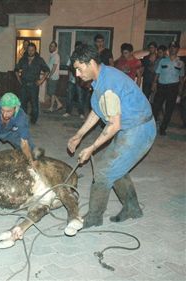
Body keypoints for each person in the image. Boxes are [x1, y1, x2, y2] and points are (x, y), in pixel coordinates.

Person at [67, 44, 156, 228]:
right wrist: (79, 135)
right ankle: (132, 208)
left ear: (91, 63)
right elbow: (98, 111)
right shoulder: (101, 77)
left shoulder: (108, 84)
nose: (77, 74)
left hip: (139, 129)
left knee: (103, 173)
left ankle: (93, 217)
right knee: (116, 168)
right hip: (131, 126)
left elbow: (113, 125)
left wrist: (91, 148)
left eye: (79, 68)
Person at [152, 41, 185, 135]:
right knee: (156, 107)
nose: (172, 49)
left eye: (174, 47)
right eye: (171, 47)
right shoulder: (163, 61)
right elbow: (157, 73)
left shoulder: (180, 63)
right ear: (169, 49)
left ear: (177, 49)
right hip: (162, 86)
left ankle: (163, 128)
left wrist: (180, 92)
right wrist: (154, 83)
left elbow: (181, 78)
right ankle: (153, 127)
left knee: (169, 109)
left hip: (173, 87)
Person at [15, 43, 50, 124]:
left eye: (32, 50)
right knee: (23, 104)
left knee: (34, 105)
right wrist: (19, 79)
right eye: (29, 50)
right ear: (27, 50)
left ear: (35, 50)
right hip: (24, 85)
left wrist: (41, 80)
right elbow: (16, 70)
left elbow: (47, 70)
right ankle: (23, 120)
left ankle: (33, 120)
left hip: (34, 86)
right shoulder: (23, 59)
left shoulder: (39, 60)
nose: (30, 52)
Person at [63, 41, 88, 119]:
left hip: (80, 80)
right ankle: (68, 111)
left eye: (79, 47)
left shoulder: (83, 57)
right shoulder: (72, 56)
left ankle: (81, 113)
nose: (78, 49)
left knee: (80, 97)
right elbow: (68, 66)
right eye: (76, 47)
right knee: (69, 96)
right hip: (72, 79)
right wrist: (69, 75)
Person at [44, 41, 63, 112]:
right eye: (50, 46)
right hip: (51, 76)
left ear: (55, 47)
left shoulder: (56, 56)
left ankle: (51, 107)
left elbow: (54, 67)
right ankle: (59, 104)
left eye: (52, 46)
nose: (50, 47)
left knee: (51, 93)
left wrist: (49, 75)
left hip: (53, 77)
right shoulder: (52, 55)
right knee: (51, 92)